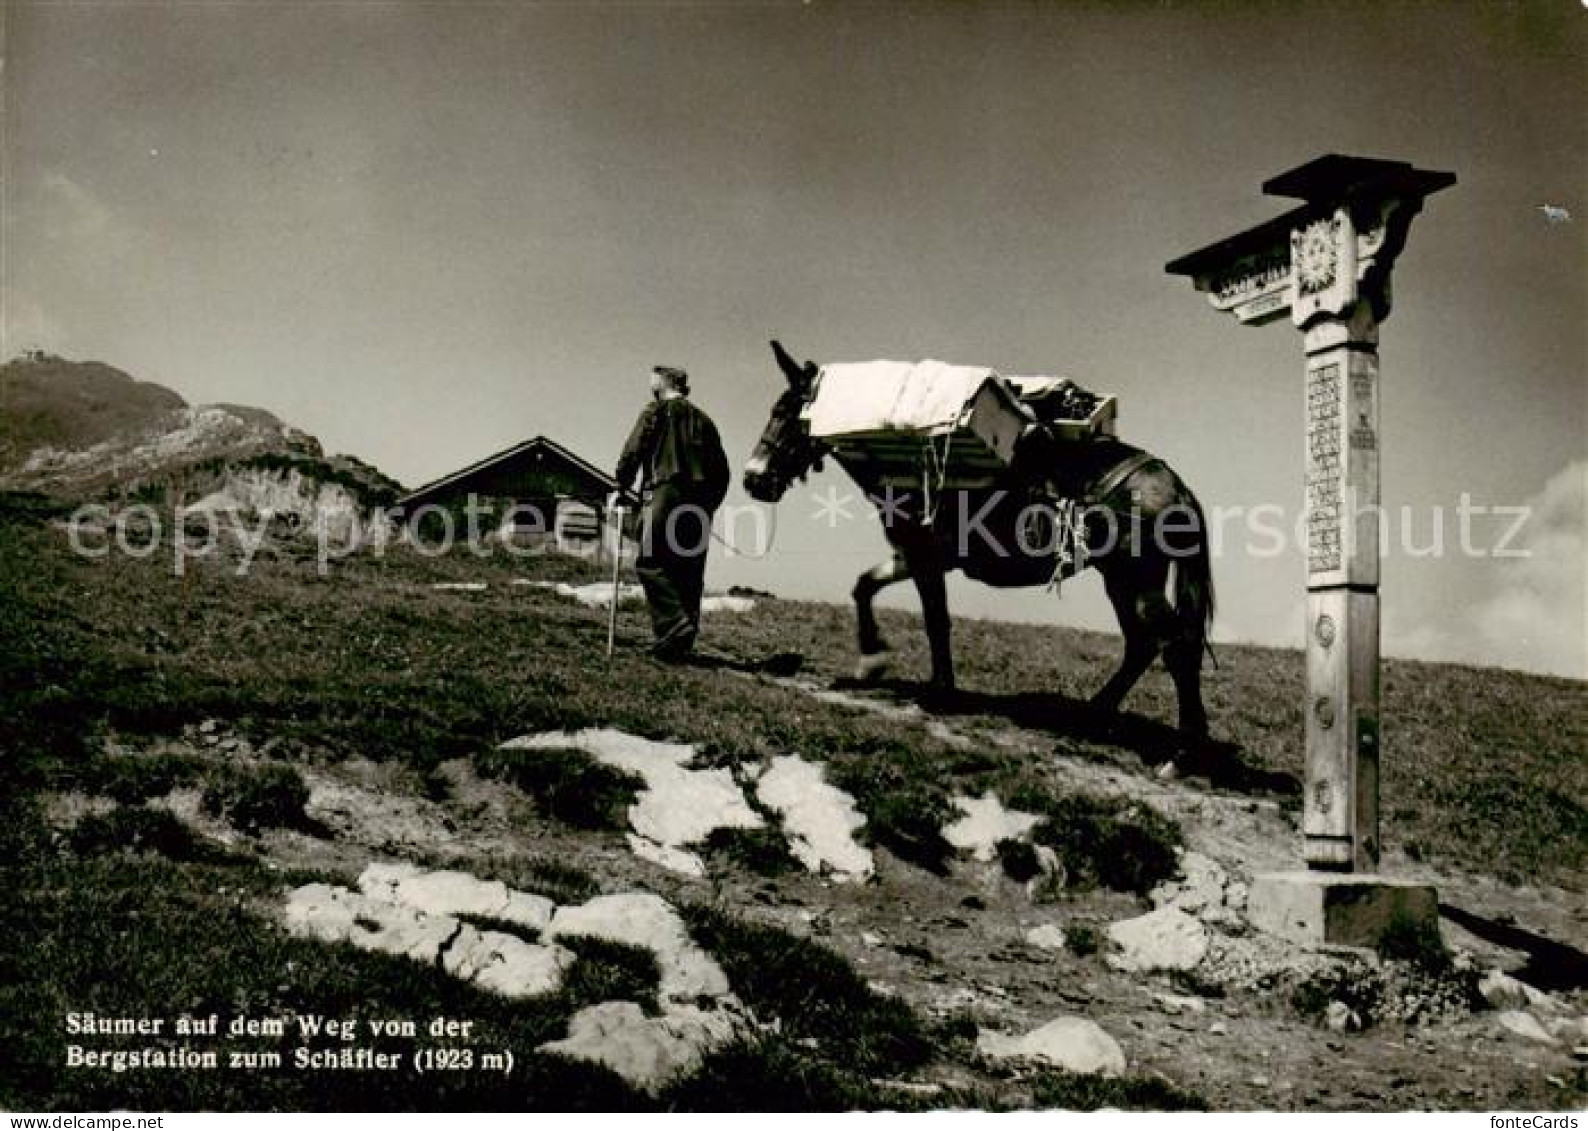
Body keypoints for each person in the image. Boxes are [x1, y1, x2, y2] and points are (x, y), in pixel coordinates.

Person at [612, 364, 730, 661]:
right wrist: (709, 504)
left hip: (664, 493)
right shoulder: (706, 421)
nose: (650, 386)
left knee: (651, 561)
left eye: (652, 381)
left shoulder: (655, 411)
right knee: (689, 570)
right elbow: (723, 472)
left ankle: (674, 625)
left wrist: (622, 484)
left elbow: (633, 450)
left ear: (662, 383)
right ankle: (679, 645)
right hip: (700, 502)